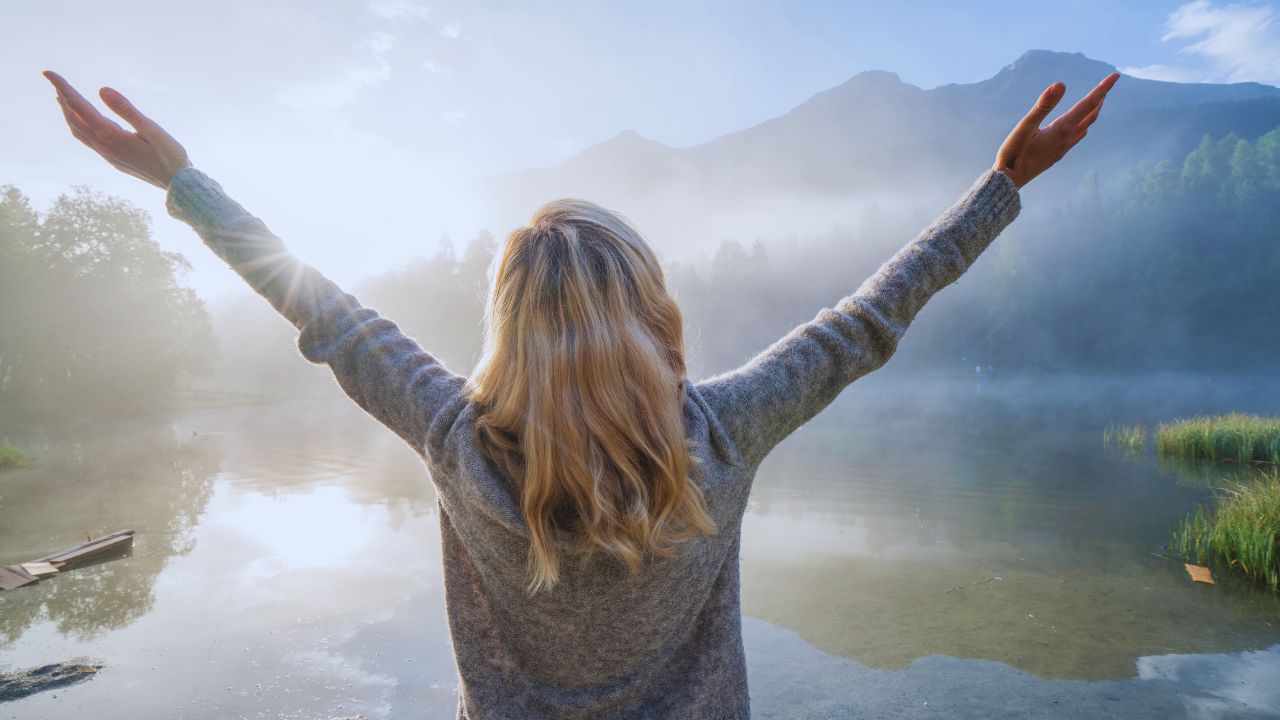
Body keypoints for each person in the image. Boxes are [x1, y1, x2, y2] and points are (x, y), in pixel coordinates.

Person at [43, 68, 1118, 719]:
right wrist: (999, 188)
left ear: (505, 329)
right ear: (658, 320)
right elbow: (869, 318)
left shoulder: (454, 434)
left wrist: (180, 182)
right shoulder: (726, 433)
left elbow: (320, 306)